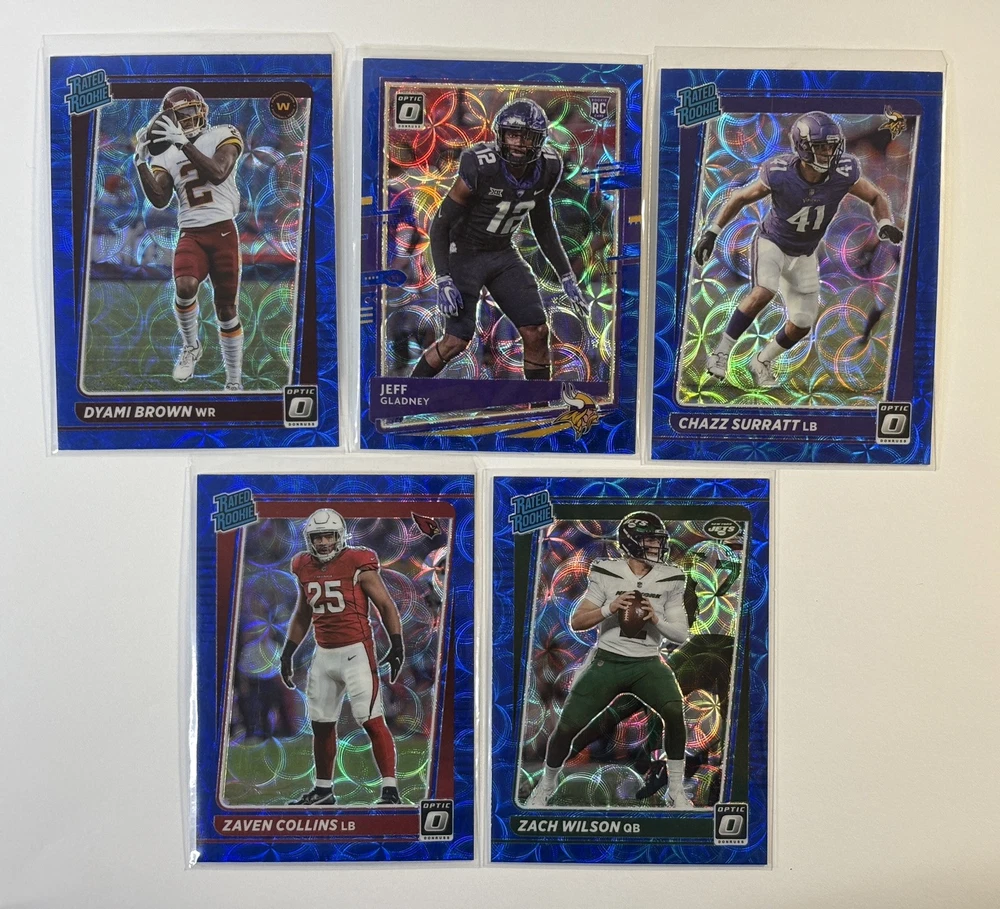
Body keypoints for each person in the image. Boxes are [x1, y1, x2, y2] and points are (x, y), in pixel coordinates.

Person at [695, 110, 904, 387]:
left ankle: (762, 360)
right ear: (803, 147)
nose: (828, 153)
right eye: (821, 147)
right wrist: (711, 233)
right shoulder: (780, 173)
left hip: (805, 253)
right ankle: (720, 353)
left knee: (802, 323)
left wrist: (885, 223)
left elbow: (875, 195)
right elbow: (741, 197)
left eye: (831, 146)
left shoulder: (843, 172)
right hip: (773, 242)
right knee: (764, 290)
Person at [410, 98, 587, 382]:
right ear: (500, 135)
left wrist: (566, 275)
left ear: (539, 140)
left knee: (537, 331)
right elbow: (441, 224)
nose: (518, 143)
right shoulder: (481, 165)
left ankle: (540, 405)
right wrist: (443, 278)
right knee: (456, 341)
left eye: (526, 136)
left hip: (502, 251)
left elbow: (543, 225)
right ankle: (410, 392)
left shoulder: (549, 166)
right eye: (512, 134)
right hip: (464, 253)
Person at [524, 512, 693, 809]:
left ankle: (675, 790)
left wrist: (656, 619)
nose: (657, 546)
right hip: (608, 662)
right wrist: (609, 608)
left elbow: (681, 635)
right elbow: (577, 622)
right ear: (631, 542)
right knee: (567, 727)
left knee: (674, 713)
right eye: (650, 540)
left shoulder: (671, 577)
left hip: (647, 663)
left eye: (658, 540)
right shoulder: (607, 571)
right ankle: (546, 786)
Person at [280, 509, 406, 806]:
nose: (324, 542)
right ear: (309, 540)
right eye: (317, 537)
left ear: (340, 537)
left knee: (371, 720)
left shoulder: (357, 561)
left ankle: (390, 790)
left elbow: (385, 605)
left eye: (329, 536)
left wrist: (397, 644)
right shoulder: (302, 565)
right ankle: (323, 790)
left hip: (356, 652)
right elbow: (303, 612)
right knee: (321, 723)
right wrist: (288, 651)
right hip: (323, 654)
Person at [132, 86, 246, 390]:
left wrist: (183, 144)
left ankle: (233, 380)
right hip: (191, 232)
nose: (187, 118)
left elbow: (218, 172)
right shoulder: (166, 153)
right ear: (168, 119)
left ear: (202, 110)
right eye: (179, 114)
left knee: (226, 310)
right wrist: (140, 163)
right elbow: (160, 199)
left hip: (223, 231)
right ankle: (191, 346)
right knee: (184, 287)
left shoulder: (223, 133)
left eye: (190, 110)